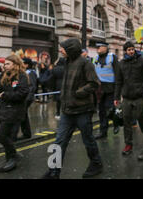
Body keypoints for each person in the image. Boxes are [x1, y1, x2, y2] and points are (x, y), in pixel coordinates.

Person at [41, 38, 102, 179]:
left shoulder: (85, 64)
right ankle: (54, 172)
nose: (60, 50)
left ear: (71, 49)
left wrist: (78, 93)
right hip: (67, 111)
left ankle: (96, 164)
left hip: (82, 111)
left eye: (63, 48)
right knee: (59, 142)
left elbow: (94, 83)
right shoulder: (67, 62)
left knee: (88, 140)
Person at [0, 55, 30, 173]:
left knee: (1, 136)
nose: (5, 66)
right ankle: (10, 159)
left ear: (15, 64)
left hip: (15, 112)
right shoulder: (5, 76)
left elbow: (22, 94)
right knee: (6, 137)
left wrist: (6, 95)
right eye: (4, 64)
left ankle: (13, 156)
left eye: (7, 63)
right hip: (5, 111)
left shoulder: (22, 76)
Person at [114, 41, 143, 156]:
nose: (131, 51)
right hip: (127, 97)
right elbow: (118, 81)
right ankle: (128, 144)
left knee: (141, 119)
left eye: (132, 49)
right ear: (125, 51)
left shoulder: (142, 61)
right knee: (126, 121)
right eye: (129, 49)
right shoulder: (121, 63)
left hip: (139, 96)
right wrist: (116, 97)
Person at [92, 42, 119, 139]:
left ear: (105, 47)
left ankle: (116, 123)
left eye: (99, 47)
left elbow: (118, 74)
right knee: (102, 112)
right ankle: (103, 132)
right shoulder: (95, 58)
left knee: (110, 110)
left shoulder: (112, 57)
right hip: (99, 89)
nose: (97, 48)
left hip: (110, 88)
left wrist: (118, 92)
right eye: (97, 47)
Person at [12, 58, 37, 141]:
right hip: (24, 98)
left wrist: (28, 98)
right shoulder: (24, 73)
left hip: (27, 98)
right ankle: (27, 133)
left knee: (18, 115)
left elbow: (32, 87)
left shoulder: (30, 73)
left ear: (26, 65)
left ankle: (14, 136)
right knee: (23, 115)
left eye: (22, 63)